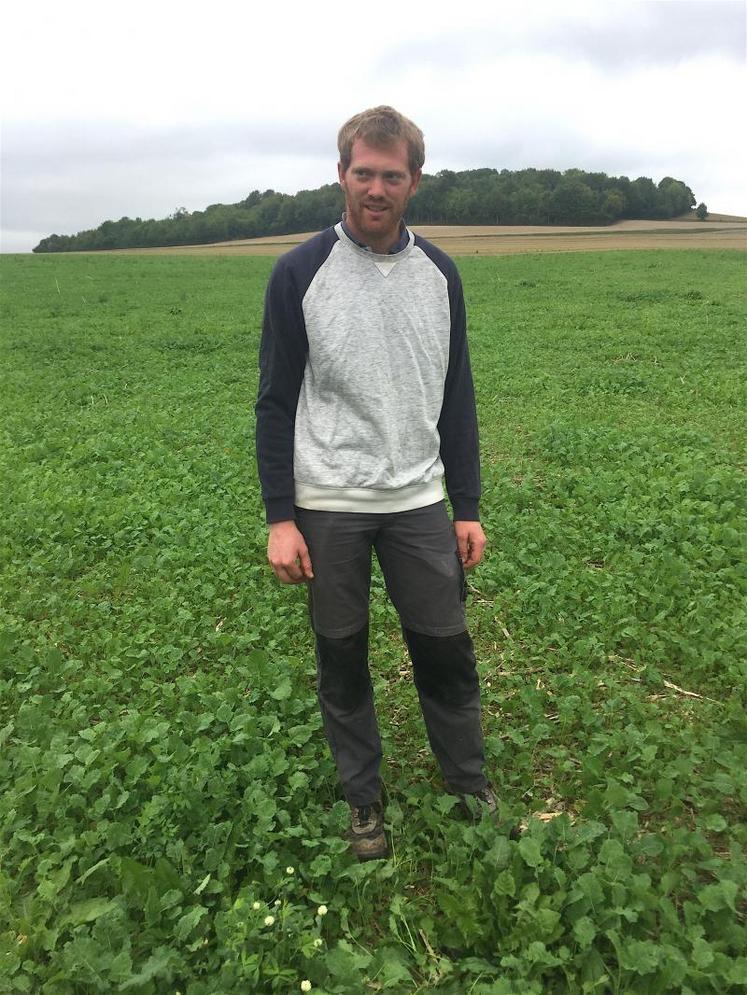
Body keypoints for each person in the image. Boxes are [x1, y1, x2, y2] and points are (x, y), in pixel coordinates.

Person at [255, 105, 495, 861]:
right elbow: (274, 398)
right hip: (329, 504)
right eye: (364, 172)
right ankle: (364, 799)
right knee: (342, 657)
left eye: (392, 175)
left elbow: (455, 393)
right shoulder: (299, 271)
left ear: (413, 181)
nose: (376, 188)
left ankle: (467, 781)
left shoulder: (440, 274)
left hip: (419, 500)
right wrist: (280, 516)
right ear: (341, 175)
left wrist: (467, 505)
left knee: (446, 649)